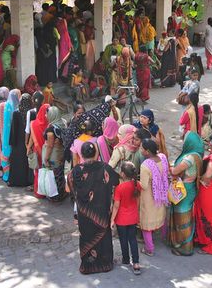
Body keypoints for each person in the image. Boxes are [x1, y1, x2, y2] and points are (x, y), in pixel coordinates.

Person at [69, 141, 119, 274]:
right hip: (102, 210)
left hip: (85, 213)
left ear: (82, 154)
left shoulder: (76, 171)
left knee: (87, 237)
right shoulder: (105, 168)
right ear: (96, 153)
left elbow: (70, 189)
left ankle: (88, 266)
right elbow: (116, 181)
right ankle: (105, 264)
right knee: (104, 237)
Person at [168, 131, 204, 256]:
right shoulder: (198, 155)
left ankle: (184, 247)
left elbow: (175, 171)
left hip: (184, 189)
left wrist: (171, 168)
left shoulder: (189, 158)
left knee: (181, 216)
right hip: (191, 187)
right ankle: (186, 243)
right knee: (187, 215)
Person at [110, 161, 142, 275]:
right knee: (133, 239)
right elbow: (138, 201)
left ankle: (126, 259)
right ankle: (136, 263)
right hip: (133, 217)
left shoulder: (119, 188)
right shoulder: (137, 184)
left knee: (123, 239)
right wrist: (136, 213)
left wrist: (112, 219)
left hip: (121, 219)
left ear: (122, 174)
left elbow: (116, 206)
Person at [42, 105, 67, 201]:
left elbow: (50, 146)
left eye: (47, 113)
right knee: (60, 172)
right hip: (61, 152)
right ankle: (62, 193)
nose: (45, 115)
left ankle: (55, 196)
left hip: (53, 154)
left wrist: (46, 158)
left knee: (53, 175)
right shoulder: (63, 122)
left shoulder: (51, 130)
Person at [29, 103, 50, 198]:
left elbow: (32, 139)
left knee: (38, 171)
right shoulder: (50, 124)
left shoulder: (33, 124)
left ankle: (39, 192)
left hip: (37, 151)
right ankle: (48, 191)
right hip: (48, 152)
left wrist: (28, 147)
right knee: (48, 171)